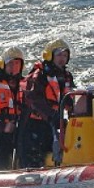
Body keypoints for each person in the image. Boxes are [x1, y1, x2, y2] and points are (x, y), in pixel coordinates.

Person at [20, 39, 76, 168]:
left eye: (65, 56)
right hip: (35, 124)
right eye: (59, 55)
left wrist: (75, 113)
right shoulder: (39, 75)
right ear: (50, 56)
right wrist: (51, 116)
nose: (62, 59)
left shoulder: (66, 76)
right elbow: (34, 99)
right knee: (35, 158)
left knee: (52, 152)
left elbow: (69, 99)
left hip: (54, 122)